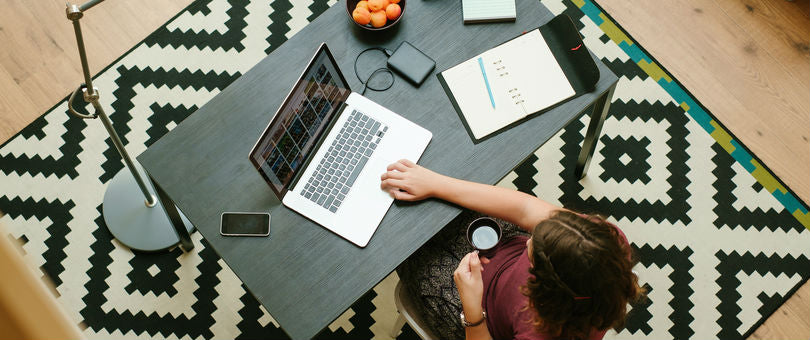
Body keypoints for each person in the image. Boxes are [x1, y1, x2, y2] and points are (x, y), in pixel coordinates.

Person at [381, 159, 645, 340]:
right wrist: (434, 183)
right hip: (498, 256)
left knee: (398, 240)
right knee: (430, 204)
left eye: (533, 253)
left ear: (544, 290)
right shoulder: (605, 242)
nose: (528, 240)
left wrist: (472, 309)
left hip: (479, 319)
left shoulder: (539, 334)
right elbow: (525, 210)